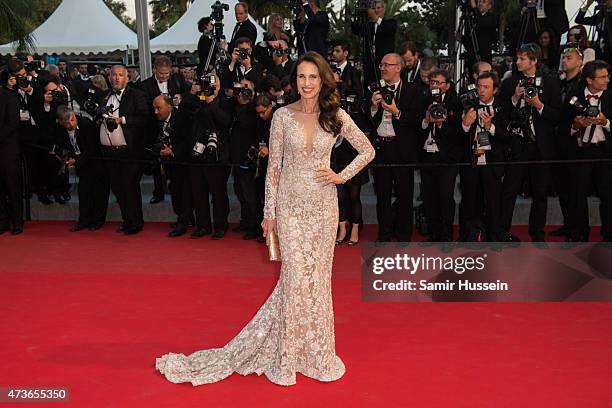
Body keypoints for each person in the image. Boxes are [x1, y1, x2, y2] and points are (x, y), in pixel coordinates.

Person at [156, 51, 375, 386]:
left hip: (322, 208)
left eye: (313, 77)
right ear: (294, 81)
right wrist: (268, 214)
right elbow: (273, 169)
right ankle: (287, 355)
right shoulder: (282, 117)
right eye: (301, 77)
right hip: (288, 208)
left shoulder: (336, 115)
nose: (306, 83)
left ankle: (315, 352)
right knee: (294, 279)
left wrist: (340, 176)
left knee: (317, 282)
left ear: (323, 80)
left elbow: (367, 150)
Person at [57, 107, 109, 232]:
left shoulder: (86, 124)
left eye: (72, 120)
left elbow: (92, 148)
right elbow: (65, 146)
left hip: (95, 163)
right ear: (61, 123)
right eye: (67, 123)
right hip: (82, 166)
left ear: (74, 116)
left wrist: (77, 160)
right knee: (84, 193)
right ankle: (84, 221)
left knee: (98, 194)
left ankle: (97, 221)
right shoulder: (61, 130)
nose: (71, 124)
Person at [0, 84, 22, 235]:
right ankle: (3, 221)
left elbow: (12, 124)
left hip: (8, 149)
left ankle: (17, 221)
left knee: (12, 185)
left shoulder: (10, 97)